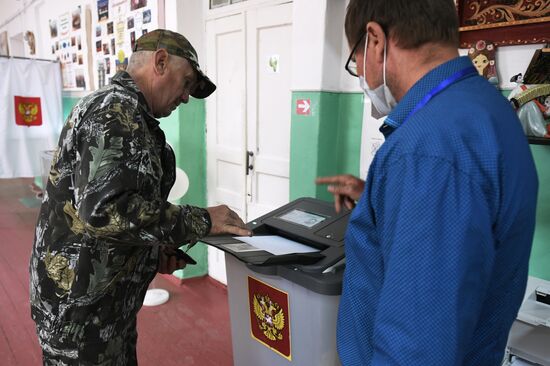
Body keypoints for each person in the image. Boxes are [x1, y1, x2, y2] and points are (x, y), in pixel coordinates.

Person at [316, 1, 539, 364]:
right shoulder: (486, 108)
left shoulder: (428, 149)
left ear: (375, 40)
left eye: (354, 58)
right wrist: (379, 198)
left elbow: (415, 345)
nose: (359, 71)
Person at [29, 29, 251, 365]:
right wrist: (203, 219)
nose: (186, 97)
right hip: (80, 315)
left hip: (103, 307)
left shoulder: (130, 115)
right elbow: (105, 212)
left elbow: (110, 212)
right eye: (186, 82)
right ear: (161, 62)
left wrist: (150, 253)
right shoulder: (113, 112)